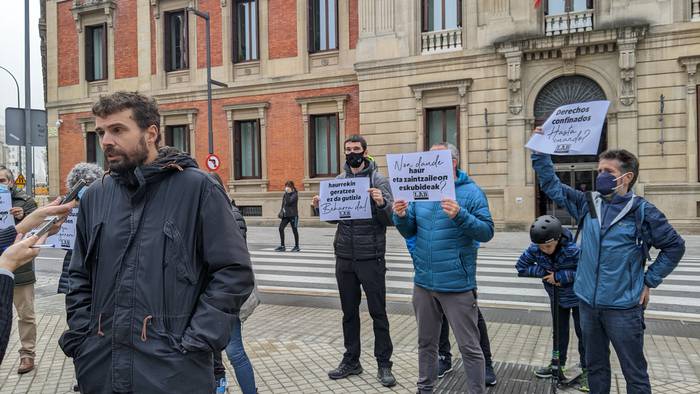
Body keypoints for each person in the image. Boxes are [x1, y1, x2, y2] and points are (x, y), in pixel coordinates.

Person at [59, 91, 255, 393]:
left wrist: (196, 341)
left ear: (151, 133)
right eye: (101, 132)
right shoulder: (96, 195)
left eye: (118, 130)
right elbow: (78, 276)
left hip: (175, 371)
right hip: (100, 368)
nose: (106, 141)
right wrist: (84, 338)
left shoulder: (197, 188)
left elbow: (233, 272)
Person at [531, 128, 685, 394]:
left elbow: (675, 246)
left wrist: (649, 280)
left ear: (627, 177)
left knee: (634, 372)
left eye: (608, 172)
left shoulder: (643, 211)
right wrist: (540, 151)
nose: (601, 176)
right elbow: (551, 185)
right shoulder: (589, 204)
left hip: (623, 308)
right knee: (596, 368)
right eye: (600, 170)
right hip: (588, 305)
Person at [394, 142, 494, 394]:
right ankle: (425, 388)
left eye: (436, 159)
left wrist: (460, 214)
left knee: (469, 347)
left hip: (457, 285)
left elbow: (486, 232)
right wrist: (401, 216)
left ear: (453, 162)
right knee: (426, 344)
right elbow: (409, 230)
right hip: (424, 283)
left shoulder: (471, 192)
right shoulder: (421, 191)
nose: (429, 164)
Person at [312, 135, 396, 387]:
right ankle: (351, 360)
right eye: (348, 150)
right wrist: (320, 207)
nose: (351, 153)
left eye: (356, 149)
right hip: (344, 257)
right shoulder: (339, 181)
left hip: (371, 256)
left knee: (378, 312)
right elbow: (334, 218)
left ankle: (384, 364)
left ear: (365, 151)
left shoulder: (378, 180)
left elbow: (392, 219)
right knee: (349, 313)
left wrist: (381, 203)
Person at [404, 235, 498, 386]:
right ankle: (443, 356)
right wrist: (417, 254)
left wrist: (461, 257)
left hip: (456, 269)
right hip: (426, 264)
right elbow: (410, 228)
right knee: (433, 316)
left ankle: (486, 363)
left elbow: (478, 230)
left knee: (471, 319)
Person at [516, 215, 588, 391]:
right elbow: (521, 268)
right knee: (559, 333)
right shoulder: (535, 249)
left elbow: (586, 270)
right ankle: (557, 364)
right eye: (541, 247)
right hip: (556, 298)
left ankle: (588, 370)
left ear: (557, 239)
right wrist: (543, 272)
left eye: (548, 246)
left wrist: (560, 276)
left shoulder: (573, 250)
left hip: (579, 297)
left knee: (584, 333)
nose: (545, 250)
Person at [210, 172, 259, 394]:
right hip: (225, 292)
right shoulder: (224, 211)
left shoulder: (229, 215)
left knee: (234, 350)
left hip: (230, 294)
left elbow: (229, 255)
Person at [0, 166, 39, 374]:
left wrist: (21, 218)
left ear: (11, 182)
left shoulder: (26, 202)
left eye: (2, 180)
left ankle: (27, 354)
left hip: (20, 270)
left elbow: (37, 231)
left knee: (25, 314)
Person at [57, 163, 104, 295]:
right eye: (81, 183)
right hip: (73, 261)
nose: (86, 187)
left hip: (98, 262)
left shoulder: (105, 204)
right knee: (72, 299)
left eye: (89, 182)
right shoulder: (67, 206)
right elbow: (62, 238)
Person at [275, 180, 300, 252]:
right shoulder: (285, 194)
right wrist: (281, 211)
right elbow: (283, 204)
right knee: (280, 228)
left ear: (292, 187)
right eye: (286, 186)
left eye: (288, 186)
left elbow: (289, 202)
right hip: (286, 215)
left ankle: (296, 246)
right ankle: (282, 246)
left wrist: (288, 194)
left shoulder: (295, 194)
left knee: (294, 230)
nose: (286, 188)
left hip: (293, 215)